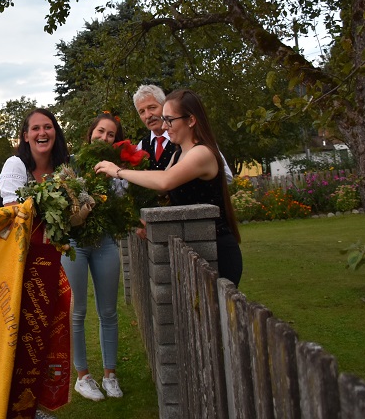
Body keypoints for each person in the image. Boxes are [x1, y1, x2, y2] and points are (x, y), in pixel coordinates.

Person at [95, 89, 243, 286]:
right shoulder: (178, 154)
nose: (164, 126)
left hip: (216, 249)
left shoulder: (202, 153)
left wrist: (118, 172)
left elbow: (165, 180)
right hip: (194, 250)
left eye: (170, 120)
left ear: (190, 120)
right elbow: (157, 189)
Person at [60, 113, 124, 401]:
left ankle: (110, 375)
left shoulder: (118, 169)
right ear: (91, 133)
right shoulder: (70, 167)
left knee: (108, 311)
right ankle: (83, 376)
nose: (104, 138)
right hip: (75, 244)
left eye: (111, 134)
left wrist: (116, 175)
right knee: (77, 311)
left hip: (105, 242)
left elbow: (125, 205)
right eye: (101, 131)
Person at [0, 108, 71, 205]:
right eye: (35, 128)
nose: (42, 133)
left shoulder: (67, 166)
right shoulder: (15, 165)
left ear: (55, 133)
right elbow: (14, 213)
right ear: (26, 136)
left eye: (48, 127)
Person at [133, 85, 178, 171]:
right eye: (142, 112)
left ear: (164, 106)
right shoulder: (141, 146)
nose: (148, 115)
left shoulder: (181, 139)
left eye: (152, 108)